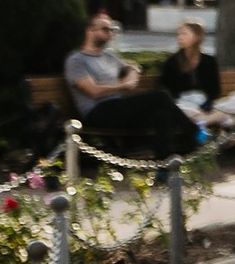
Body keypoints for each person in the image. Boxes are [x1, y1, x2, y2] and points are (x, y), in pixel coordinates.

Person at [64, 13, 205, 157]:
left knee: (162, 114)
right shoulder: (76, 60)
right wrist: (123, 85)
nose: (110, 33)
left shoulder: (110, 57)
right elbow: (93, 91)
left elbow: (133, 67)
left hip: (119, 109)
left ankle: (164, 165)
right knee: (160, 96)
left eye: (112, 30)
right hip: (97, 112)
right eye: (105, 29)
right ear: (89, 31)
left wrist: (130, 79)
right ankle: (195, 133)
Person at [162, 19, 235, 132]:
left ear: (196, 37)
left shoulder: (209, 61)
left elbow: (215, 90)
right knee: (227, 116)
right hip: (183, 105)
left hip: (206, 105)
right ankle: (214, 120)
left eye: (184, 34)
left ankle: (203, 121)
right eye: (179, 34)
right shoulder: (171, 62)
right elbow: (165, 90)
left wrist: (206, 106)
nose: (180, 37)